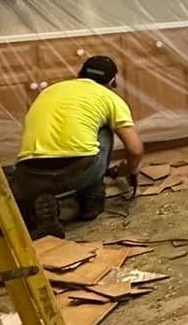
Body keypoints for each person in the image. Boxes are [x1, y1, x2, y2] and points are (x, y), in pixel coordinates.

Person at [10, 55, 144, 239]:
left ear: (79, 74)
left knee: (66, 132)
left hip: (29, 173)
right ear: (112, 81)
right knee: (104, 129)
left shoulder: (49, 90)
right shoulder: (110, 98)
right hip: (78, 171)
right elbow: (135, 149)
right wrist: (129, 169)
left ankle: (42, 210)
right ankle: (91, 200)